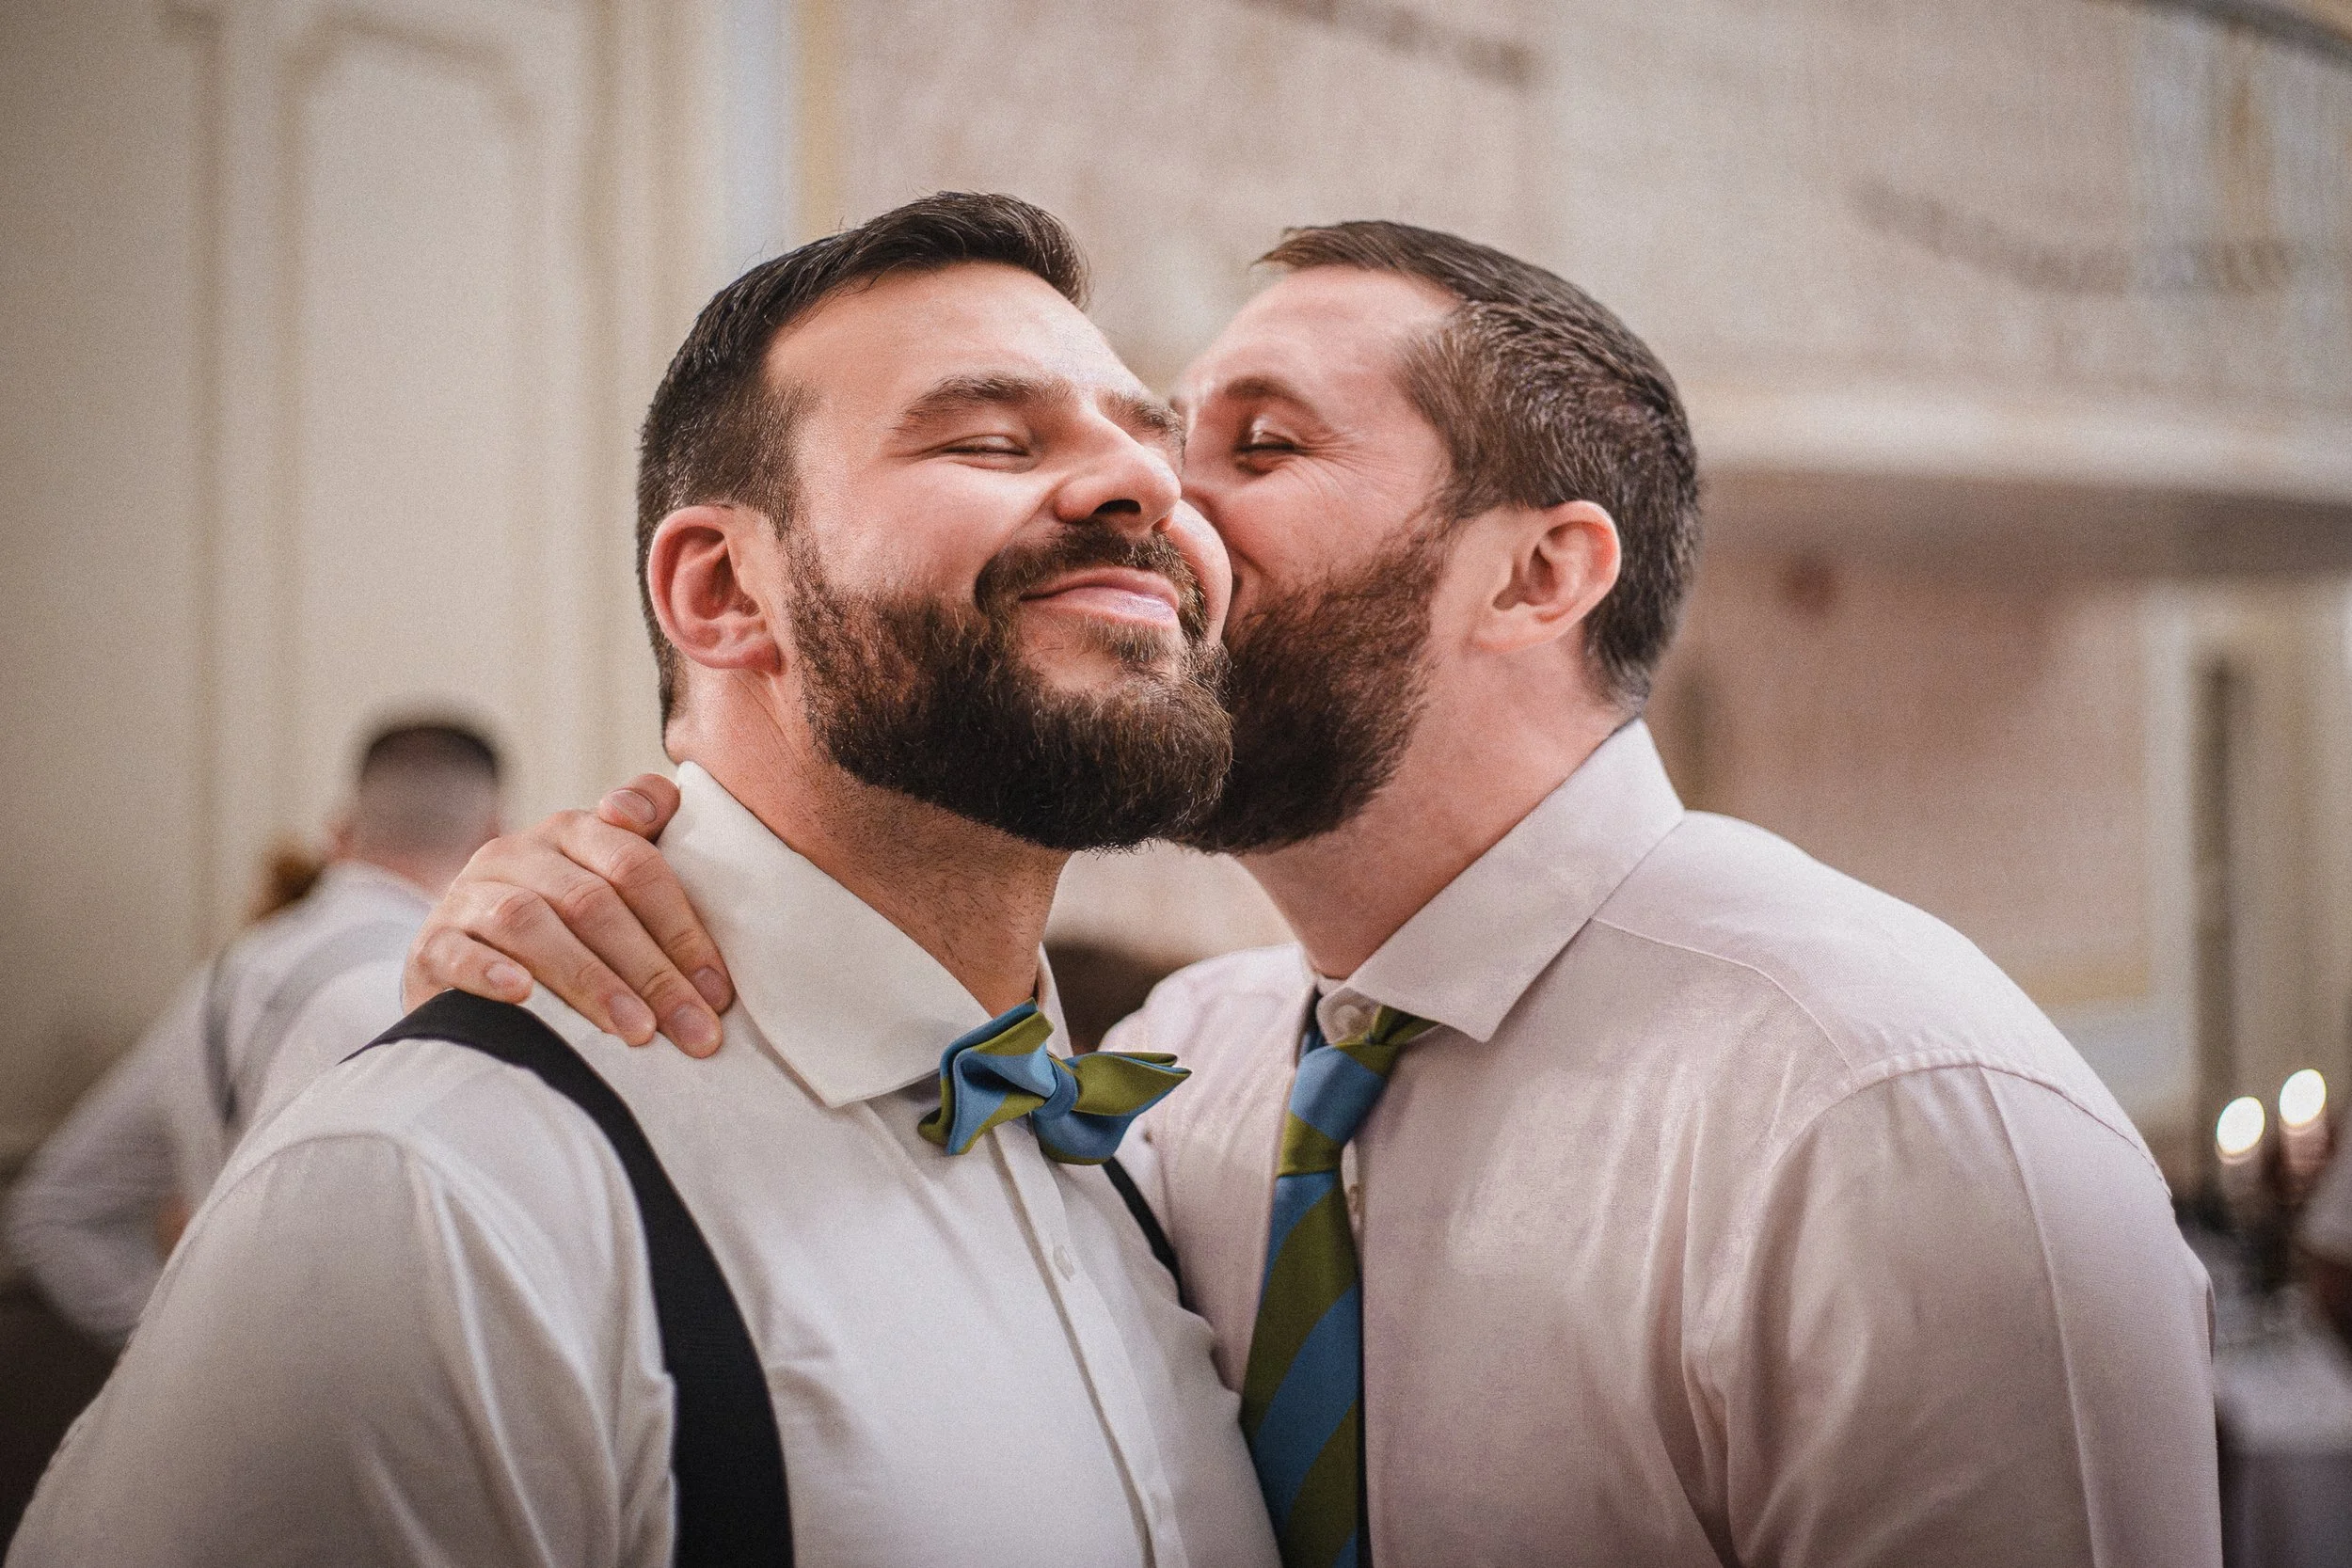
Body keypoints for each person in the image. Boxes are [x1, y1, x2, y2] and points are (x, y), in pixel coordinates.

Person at [416, 219, 2225, 1566]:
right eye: (1165, 451)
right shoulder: (1180, 1078)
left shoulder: (1896, 1112)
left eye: (1256, 452)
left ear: (1537, 574)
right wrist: (572, 916)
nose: (1160, 523)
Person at [10, 195, 1277, 1568]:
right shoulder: (434, 1189)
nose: (1152, 489)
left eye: (1154, 447)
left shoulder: (1141, 1166)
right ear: (724, 589)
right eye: (987, 436)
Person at [3, 720, 501, 1349]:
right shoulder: (452, 992)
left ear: (341, 830)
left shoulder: (225, 975)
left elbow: (56, 1209)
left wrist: (171, 1356)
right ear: (494, 834)